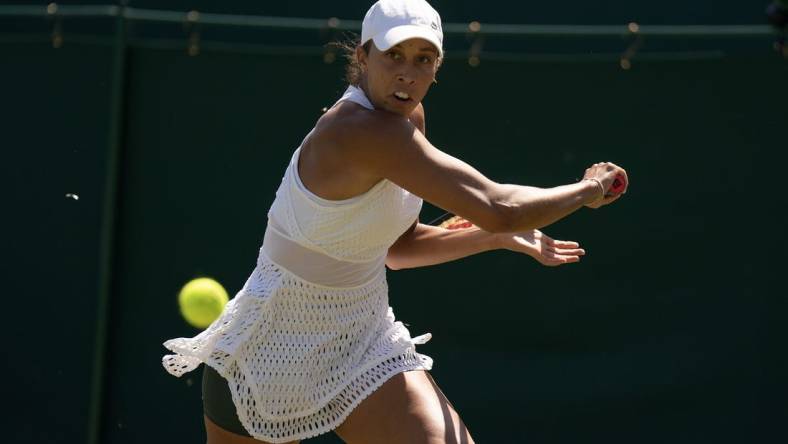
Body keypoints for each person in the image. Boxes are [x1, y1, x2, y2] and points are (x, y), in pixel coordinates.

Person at [162, 0, 629, 443]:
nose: (408, 73)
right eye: (394, 56)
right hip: (268, 351)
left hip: (363, 340)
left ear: (438, 67)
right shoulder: (359, 131)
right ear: (364, 57)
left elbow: (399, 250)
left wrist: (492, 239)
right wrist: (588, 188)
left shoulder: (408, 119)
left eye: (424, 59)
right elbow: (499, 205)